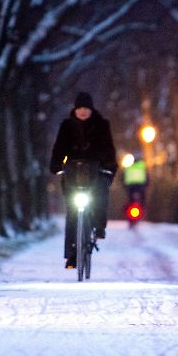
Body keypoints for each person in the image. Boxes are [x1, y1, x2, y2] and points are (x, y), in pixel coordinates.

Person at [49, 92, 118, 269]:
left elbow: (108, 148)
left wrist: (109, 167)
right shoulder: (66, 126)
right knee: (72, 213)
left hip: (96, 170)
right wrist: (56, 166)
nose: (83, 112)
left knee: (100, 198)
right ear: (75, 109)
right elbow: (59, 148)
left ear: (91, 109)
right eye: (80, 108)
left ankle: (99, 228)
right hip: (73, 171)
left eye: (86, 108)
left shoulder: (102, 125)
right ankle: (71, 255)